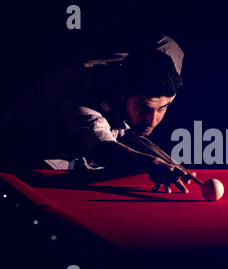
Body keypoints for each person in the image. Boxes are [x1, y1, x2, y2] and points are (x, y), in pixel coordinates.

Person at [0, 35, 192, 193]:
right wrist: (151, 164)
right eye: (142, 108)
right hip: (24, 143)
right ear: (121, 94)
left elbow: (168, 43)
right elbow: (102, 149)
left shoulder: (166, 69)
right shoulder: (82, 97)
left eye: (161, 108)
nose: (152, 119)